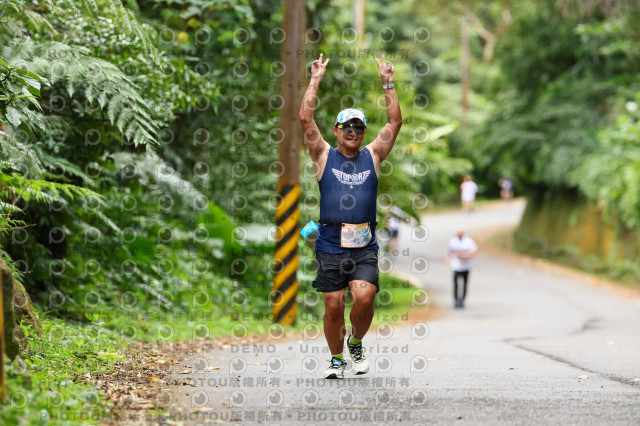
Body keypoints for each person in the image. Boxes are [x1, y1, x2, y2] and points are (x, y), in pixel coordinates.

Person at [299, 54, 402, 379]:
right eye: (347, 127)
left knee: (365, 297)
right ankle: (335, 359)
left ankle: (355, 342)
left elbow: (395, 123)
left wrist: (388, 82)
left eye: (359, 127)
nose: (353, 132)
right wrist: (315, 78)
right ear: (337, 130)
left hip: (363, 244)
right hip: (330, 242)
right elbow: (305, 119)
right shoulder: (323, 155)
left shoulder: (372, 155)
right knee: (332, 306)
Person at [445, 229, 478, 309]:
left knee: (464, 284)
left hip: (466, 267)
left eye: (461, 232)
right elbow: (449, 252)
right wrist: (448, 260)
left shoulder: (469, 242)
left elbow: (473, 253)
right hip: (456, 266)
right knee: (456, 284)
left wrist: (464, 255)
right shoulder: (453, 242)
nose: (460, 234)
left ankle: (462, 300)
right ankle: (456, 301)